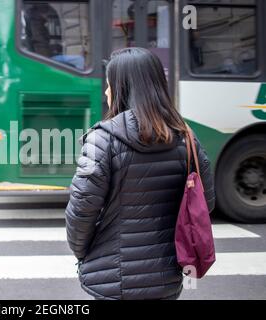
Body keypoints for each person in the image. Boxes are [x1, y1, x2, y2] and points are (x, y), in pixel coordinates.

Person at [65, 48, 215, 300]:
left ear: (122, 87)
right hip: (166, 279)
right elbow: (205, 203)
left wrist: (85, 253)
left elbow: (81, 212)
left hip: (112, 279)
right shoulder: (186, 138)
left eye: (109, 84)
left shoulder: (102, 140)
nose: (106, 91)